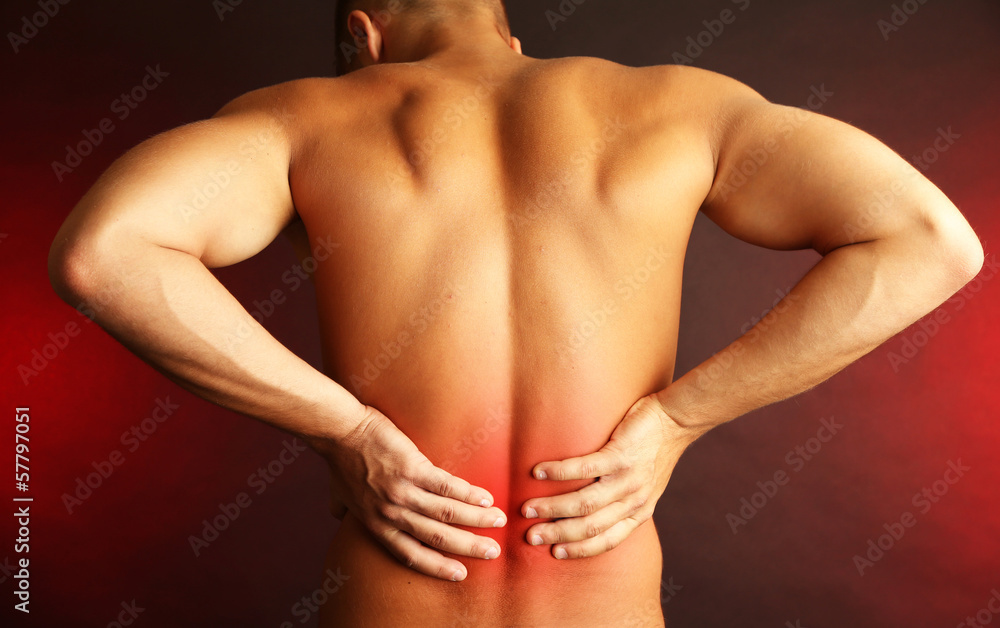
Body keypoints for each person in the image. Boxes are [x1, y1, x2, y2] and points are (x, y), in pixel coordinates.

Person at [47, 0, 984, 625]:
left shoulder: (307, 117)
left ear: (363, 34)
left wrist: (346, 429)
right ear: (510, 32)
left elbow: (104, 255)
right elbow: (934, 242)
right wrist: (678, 418)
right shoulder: (678, 105)